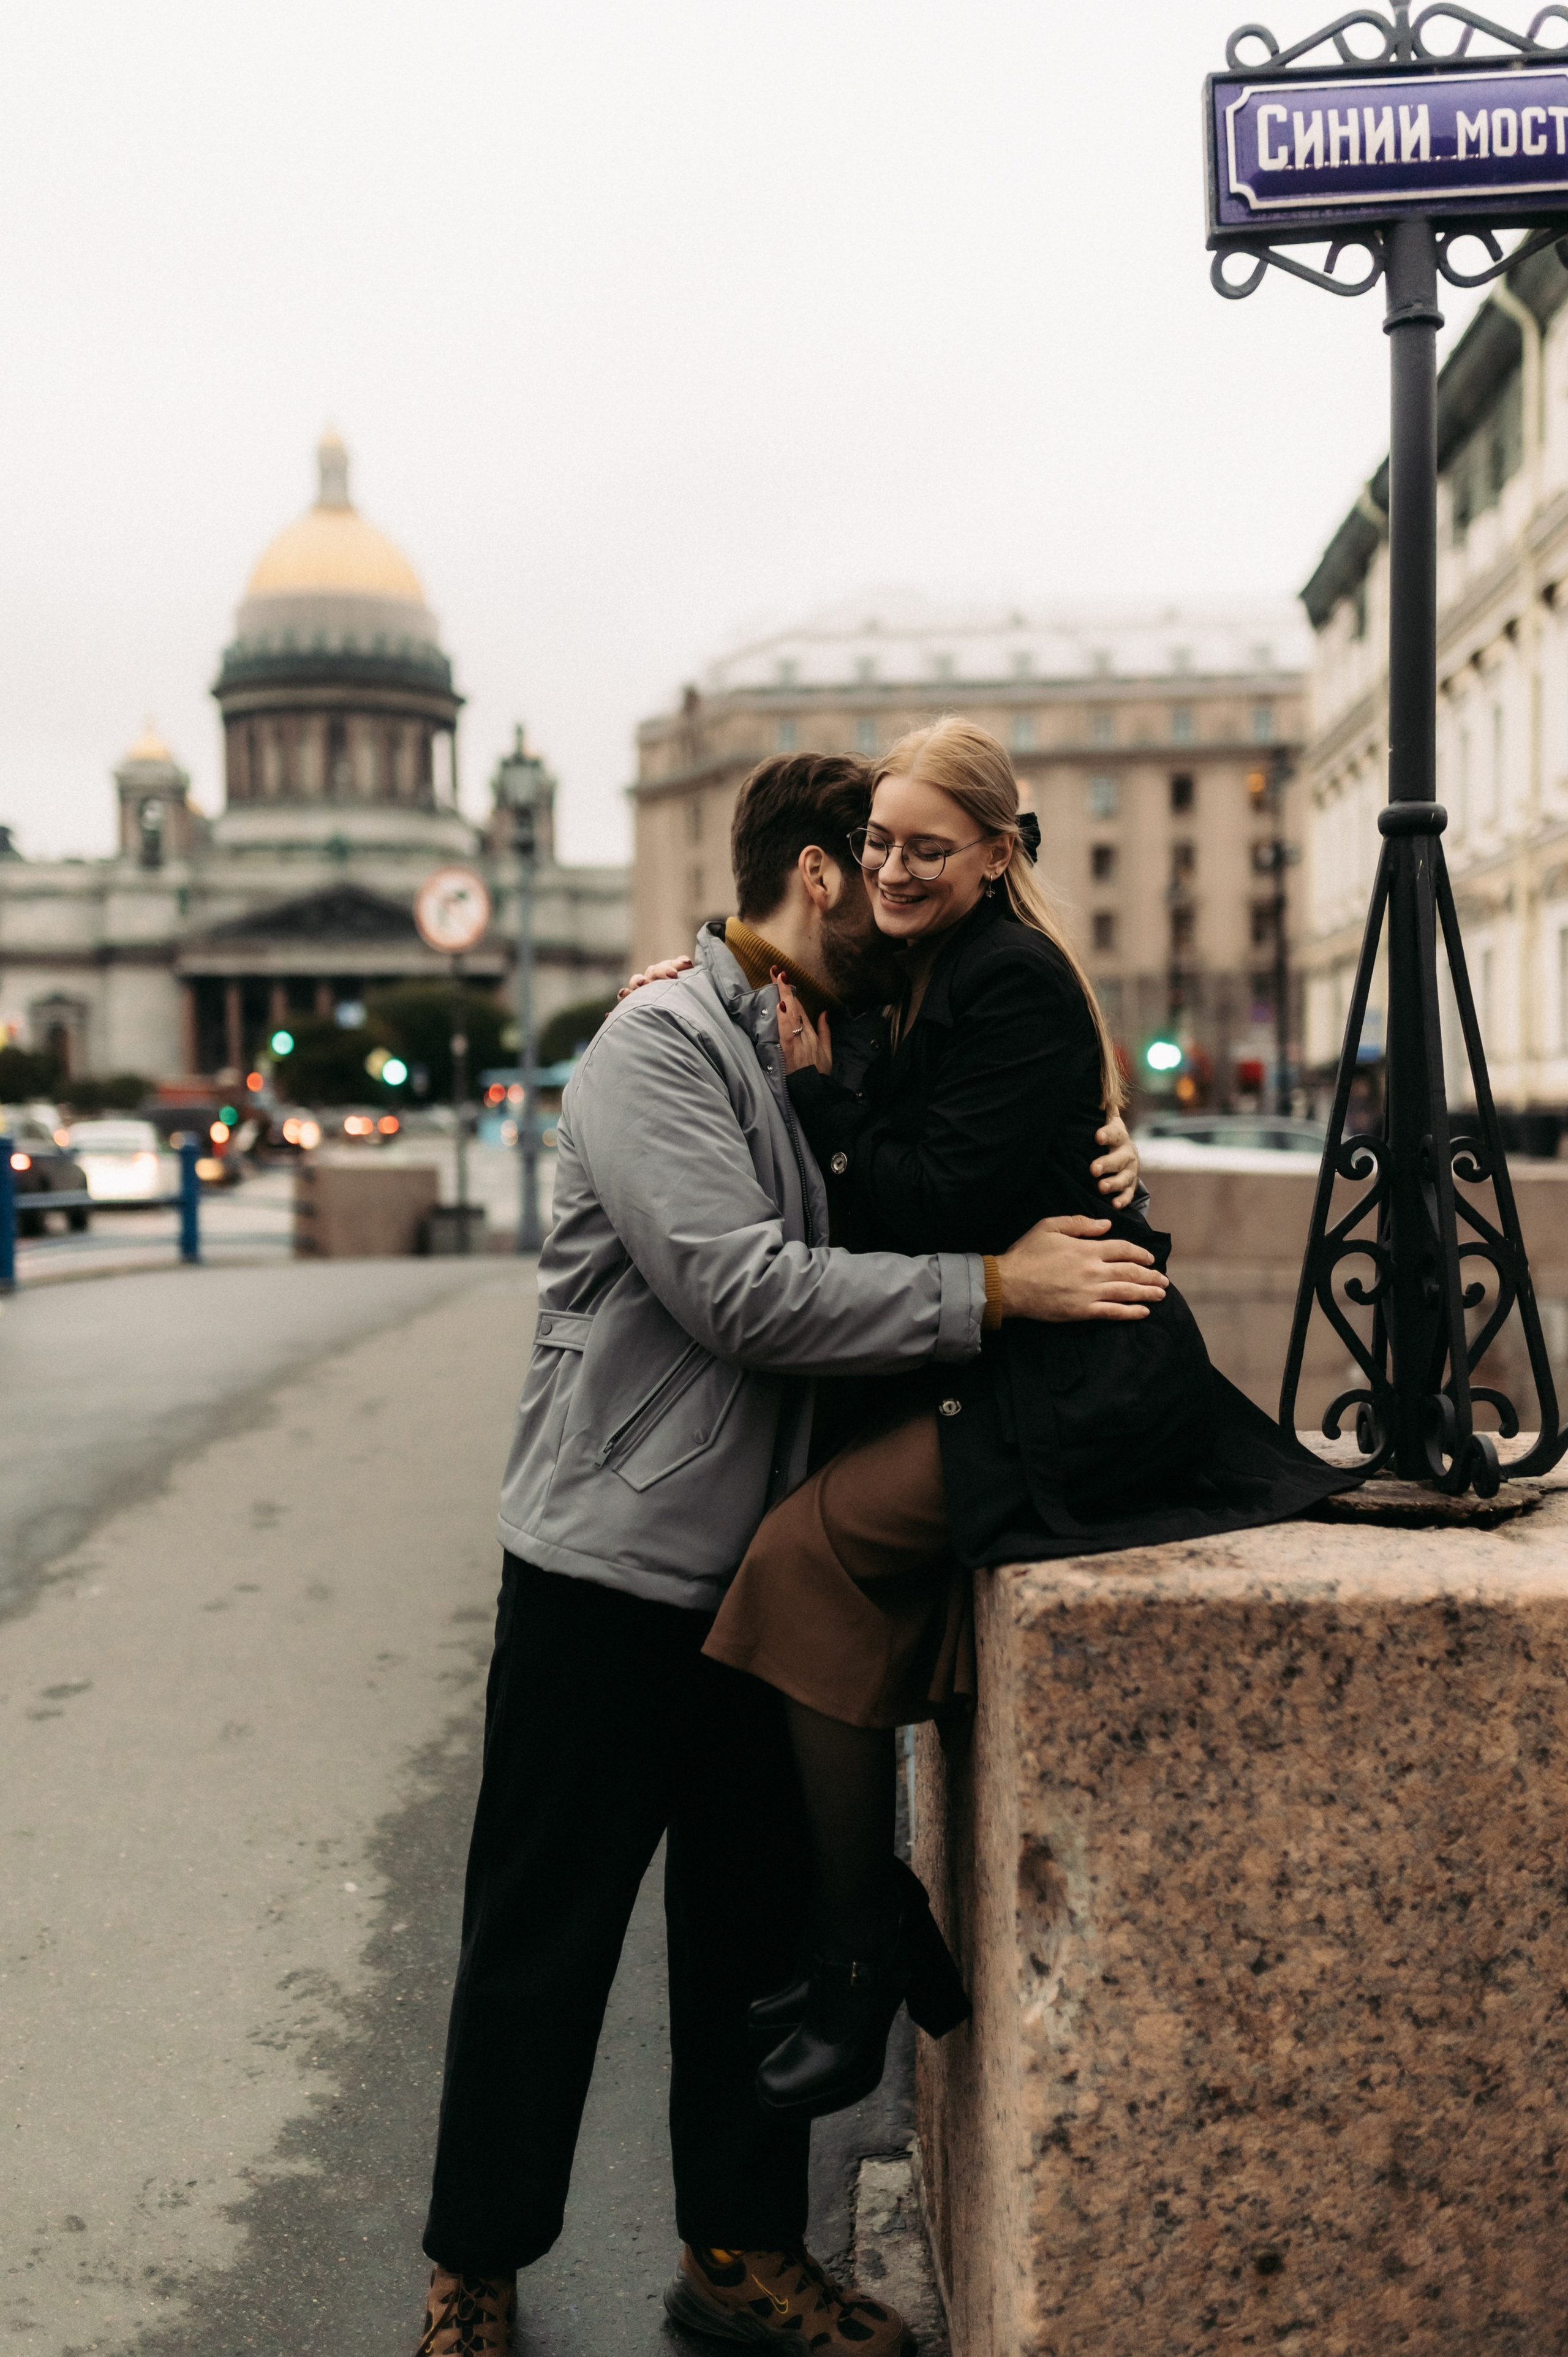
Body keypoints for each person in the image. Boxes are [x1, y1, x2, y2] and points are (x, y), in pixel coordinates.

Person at [415, 751, 1153, 2357]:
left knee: (754, 1949)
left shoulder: (851, 1041)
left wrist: (1106, 1151)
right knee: (541, 1937)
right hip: (608, 1571)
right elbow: (745, 1291)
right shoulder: (656, 1045)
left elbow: (971, 1141)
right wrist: (997, 1289)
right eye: (872, 870)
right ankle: (472, 2271)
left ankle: (740, 2253)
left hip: (761, 1577)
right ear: (816, 874)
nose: (900, 913)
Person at [698, 718, 1355, 2126]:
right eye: (877, 842)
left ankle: (863, 1950)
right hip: (1003, 1365)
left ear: (997, 854)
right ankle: (878, 1940)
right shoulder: (922, 957)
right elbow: (774, 936)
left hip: (1082, 1380)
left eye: (926, 848)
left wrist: (817, 1097)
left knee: (795, 1565)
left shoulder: (1009, 979)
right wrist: (700, 967)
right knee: (817, 1579)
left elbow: (930, 1201)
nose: (890, 867)